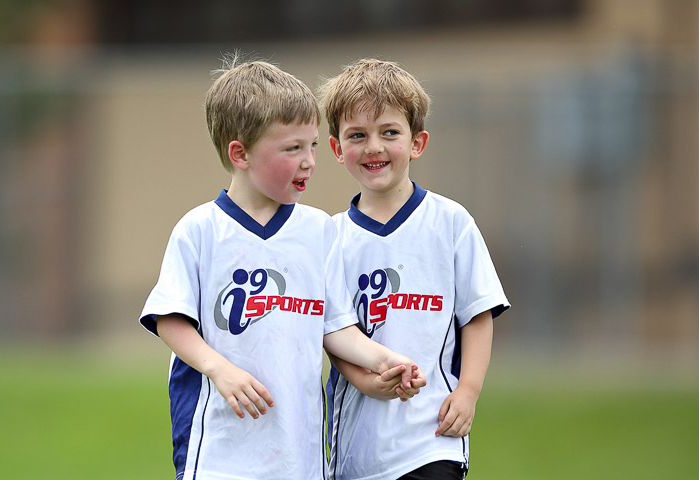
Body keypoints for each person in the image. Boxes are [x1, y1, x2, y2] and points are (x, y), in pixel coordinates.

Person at [139, 57, 423, 480]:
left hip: (299, 456)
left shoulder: (319, 231)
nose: (309, 160)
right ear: (241, 154)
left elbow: (337, 326)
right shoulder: (200, 231)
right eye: (292, 148)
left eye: (312, 145)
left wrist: (386, 360)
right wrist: (221, 370)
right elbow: (170, 319)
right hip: (221, 453)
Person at [319, 58, 511, 480]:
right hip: (356, 452)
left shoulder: (451, 222)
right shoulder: (328, 237)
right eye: (357, 135)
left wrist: (468, 392)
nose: (374, 147)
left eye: (389, 132)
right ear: (336, 149)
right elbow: (333, 334)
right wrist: (367, 382)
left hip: (432, 438)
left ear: (417, 142)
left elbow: (477, 314)